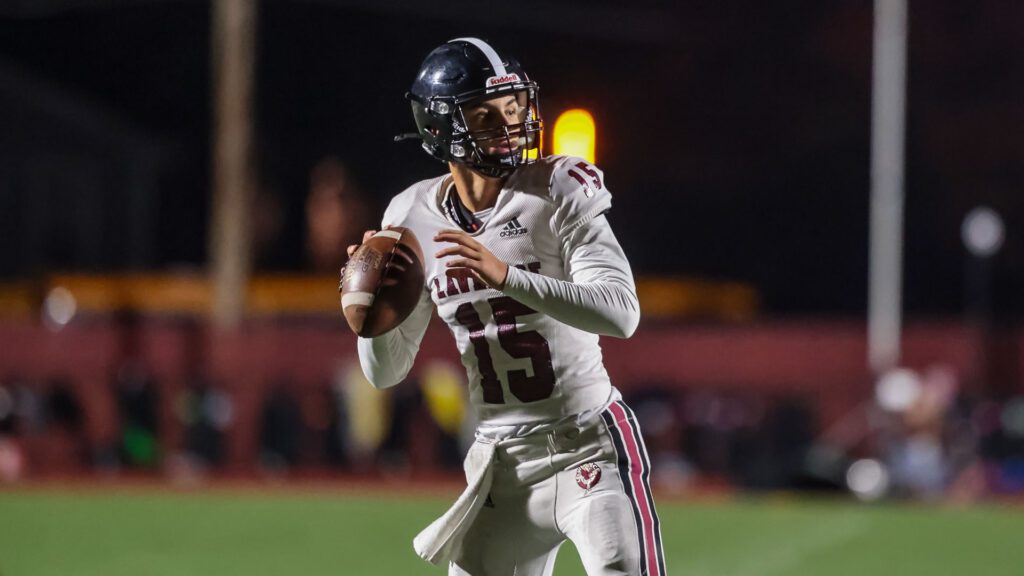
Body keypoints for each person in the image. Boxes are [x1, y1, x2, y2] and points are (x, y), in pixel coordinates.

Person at [348, 37, 666, 576]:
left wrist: (506, 276)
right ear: (440, 127)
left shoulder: (556, 187)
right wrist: (369, 312)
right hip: (502, 465)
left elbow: (621, 313)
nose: (509, 124)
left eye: (513, 108)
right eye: (485, 114)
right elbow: (386, 373)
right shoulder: (411, 214)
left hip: (588, 443)